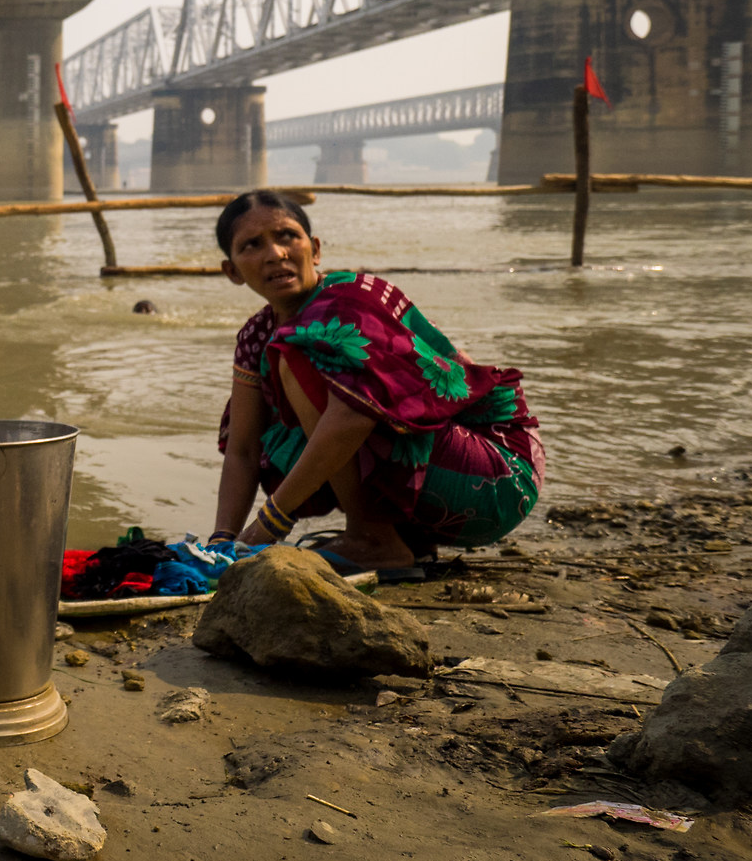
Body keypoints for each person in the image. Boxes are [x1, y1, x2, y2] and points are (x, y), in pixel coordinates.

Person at [210, 189, 543, 579]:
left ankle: (371, 539)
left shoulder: (347, 300)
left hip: (499, 474)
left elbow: (353, 417)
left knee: (295, 359)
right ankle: (397, 541)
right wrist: (220, 545)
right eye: (252, 245)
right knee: (282, 396)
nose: (275, 254)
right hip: (435, 489)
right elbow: (244, 449)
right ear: (232, 271)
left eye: (287, 236)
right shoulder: (256, 333)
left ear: (314, 250)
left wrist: (265, 528)